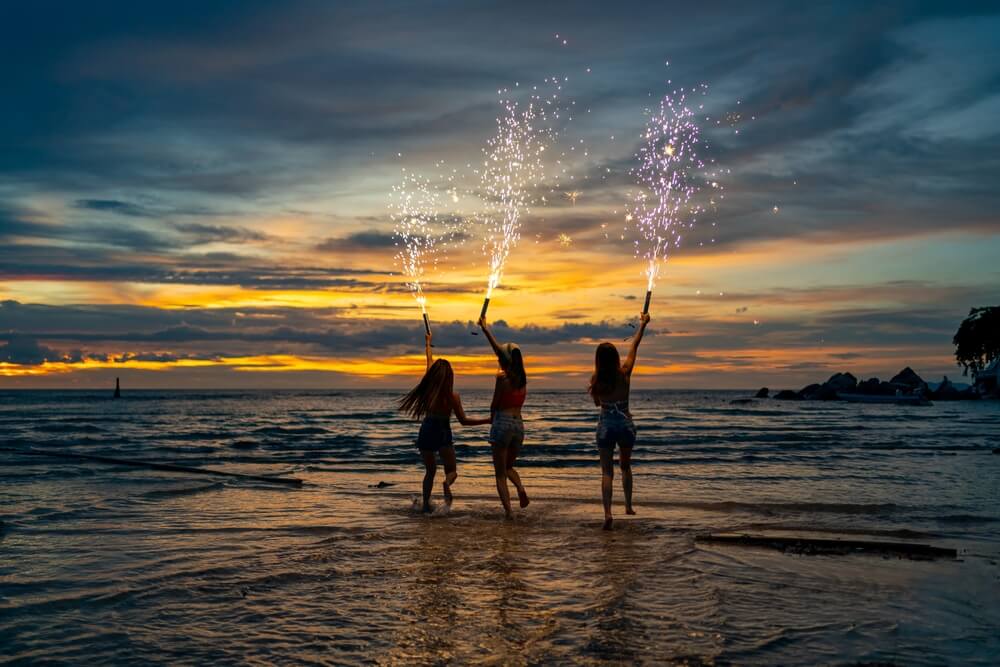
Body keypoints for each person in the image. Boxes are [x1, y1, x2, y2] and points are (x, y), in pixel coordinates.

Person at [399, 331, 491, 513]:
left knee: (429, 471)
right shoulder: (452, 397)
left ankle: (425, 505)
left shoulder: (427, 392)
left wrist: (427, 343)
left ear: (433, 375)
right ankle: (447, 483)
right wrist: (488, 420)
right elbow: (464, 421)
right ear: (450, 376)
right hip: (442, 432)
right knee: (452, 470)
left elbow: (428, 360)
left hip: (426, 430)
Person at [588, 311, 650, 530]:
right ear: (615, 358)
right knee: (625, 466)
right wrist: (642, 325)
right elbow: (634, 347)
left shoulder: (596, 380)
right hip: (625, 425)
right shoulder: (625, 374)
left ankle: (607, 513)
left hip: (605, 426)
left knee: (607, 472)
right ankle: (629, 505)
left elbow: (598, 404)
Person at [478, 315, 529, 519]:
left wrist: (491, 418)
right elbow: (499, 350)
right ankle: (521, 489)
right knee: (509, 467)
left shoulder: (502, 379)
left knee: (500, 473)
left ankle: (509, 512)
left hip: (503, 423)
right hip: (519, 426)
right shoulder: (522, 380)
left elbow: (495, 402)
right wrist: (485, 328)